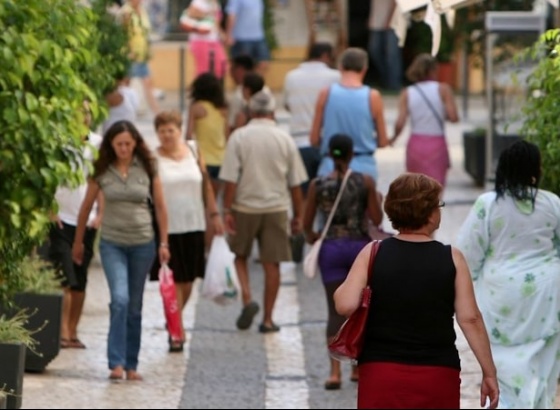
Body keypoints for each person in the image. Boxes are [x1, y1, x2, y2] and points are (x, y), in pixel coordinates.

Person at [334, 172, 499, 409]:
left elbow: (344, 304)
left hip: (381, 372)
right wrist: (489, 372)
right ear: (430, 214)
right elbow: (470, 319)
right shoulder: (452, 258)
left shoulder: (373, 252)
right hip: (437, 373)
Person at [457, 140, 560, 409]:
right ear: (535, 169)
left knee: (500, 366)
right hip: (547, 297)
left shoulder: (488, 204)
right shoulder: (552, 203)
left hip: (500, 296)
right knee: (544, 366)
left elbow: (467, 254)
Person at [72, 120, 170, 381]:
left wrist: (164, 243)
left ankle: (131, 364)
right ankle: (115, 362)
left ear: (135, 143)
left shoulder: (148, 167)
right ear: (111, 145)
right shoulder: (102, 169)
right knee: (120, 300)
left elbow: (160, 207)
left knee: (135, 306)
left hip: (143, 244)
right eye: (119, 144)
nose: (124, 149)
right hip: (112, 243)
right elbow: (85, 208)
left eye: (128, 143)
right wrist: (79, 242)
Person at [219, 90, 308, 333]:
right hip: (277, 208)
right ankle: (268, 320)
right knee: (273, 264)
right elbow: (296, 184)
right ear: (273, 112)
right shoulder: (284, 139)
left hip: (244, 207)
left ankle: (247, 299)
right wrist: (298, 217)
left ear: (249, 112)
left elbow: (230, 179)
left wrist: (227, 209)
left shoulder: (239, 137)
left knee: (239, 256)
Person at [302, 134, 383, 390]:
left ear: (329, 154)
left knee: (334, 309)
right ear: (351, 154)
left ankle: (334, 371)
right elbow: (377, 218)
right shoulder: (365, 181)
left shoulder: (318, 184)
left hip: (332, 249)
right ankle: (357, 368)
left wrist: (315, 237)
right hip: (360, 248)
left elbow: (306, 224)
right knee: (362, 308)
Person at [149, 110, 224, 353]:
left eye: (171, 130)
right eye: (162, 131)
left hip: (194, 225)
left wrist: (214, 215)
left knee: (188, 280)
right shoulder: (153, 158)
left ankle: (174, 318)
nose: (167, 135)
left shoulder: (193, 150)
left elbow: (206, 187)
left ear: (180, 131)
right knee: (173, 280)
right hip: (168, 228)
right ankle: (176, 331)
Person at [41, 100, 103, 349]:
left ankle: (73, 331)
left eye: (87, 113)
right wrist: (49, 209)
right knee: (63, 277)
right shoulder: (58, 142)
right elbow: (46, 178)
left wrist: (101, 214)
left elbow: (101, 182)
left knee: (79, 279)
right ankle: (63, 331)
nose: (84, 116)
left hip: (86, 222)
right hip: (60, 219)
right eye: (79, 111)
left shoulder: (98, 145)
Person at [310, 47, 390, 183]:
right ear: (364, 69)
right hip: (364, 167)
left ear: (340, 67)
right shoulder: (373, 96)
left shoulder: (326, 93)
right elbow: (383, 141)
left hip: (331, 165)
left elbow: (314, 139)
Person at [391, 53, 459, 187]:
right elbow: (453, 117)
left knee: (416, 189)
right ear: (434, 69)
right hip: (437, 144)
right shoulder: (443, 89)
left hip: (415, 144)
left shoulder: (407, 92)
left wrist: (393, 138)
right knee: (435, 189)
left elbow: (400, 122)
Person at [283, 42, 340, 196]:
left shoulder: (291, 76)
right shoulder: (335, 76)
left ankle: (302, 220)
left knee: (302, 195)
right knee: (327, 195)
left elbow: (287, 106)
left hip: (298, 142)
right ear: (325, 56)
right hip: (326, 143)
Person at [185, 72, 228, 198]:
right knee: (215, 200)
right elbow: (227, 135)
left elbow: (188, 135)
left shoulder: (196, 108)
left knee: (203, 199)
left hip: (203, 159)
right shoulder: (223, 109)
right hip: (221, 159)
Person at [119, 0, 160, 116]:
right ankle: (124, 109)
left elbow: (145, 32)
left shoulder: (142, 11)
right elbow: (123, 33)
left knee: (148, 82)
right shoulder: (126, 12)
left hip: (141, 54)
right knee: (125, 83)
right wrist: (128, 50)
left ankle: (157, 112)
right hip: (130, 54)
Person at [180, 0, 228, 79]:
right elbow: (191, 13)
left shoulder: (216, 4)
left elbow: (216, 23)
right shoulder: (198, 2)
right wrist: (207, 13)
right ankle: (200, 88)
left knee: (221, 65)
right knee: (203, 69)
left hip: (214, 39)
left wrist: (222, 34)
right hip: (200, 39)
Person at [225, 0, 270, 75]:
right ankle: (243, 85)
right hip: (242, 37)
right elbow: (231, 15)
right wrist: (229, 34)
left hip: (258, 36)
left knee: (263, 62)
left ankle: (253, 83)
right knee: (242, 66)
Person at [367, 0, 402, 91]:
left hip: (393, 23)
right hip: (376, 22)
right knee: (374, 51)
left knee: (392, 54)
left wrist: (390, 19)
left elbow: (397, 3)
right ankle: (385, 78)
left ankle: (394, 84)